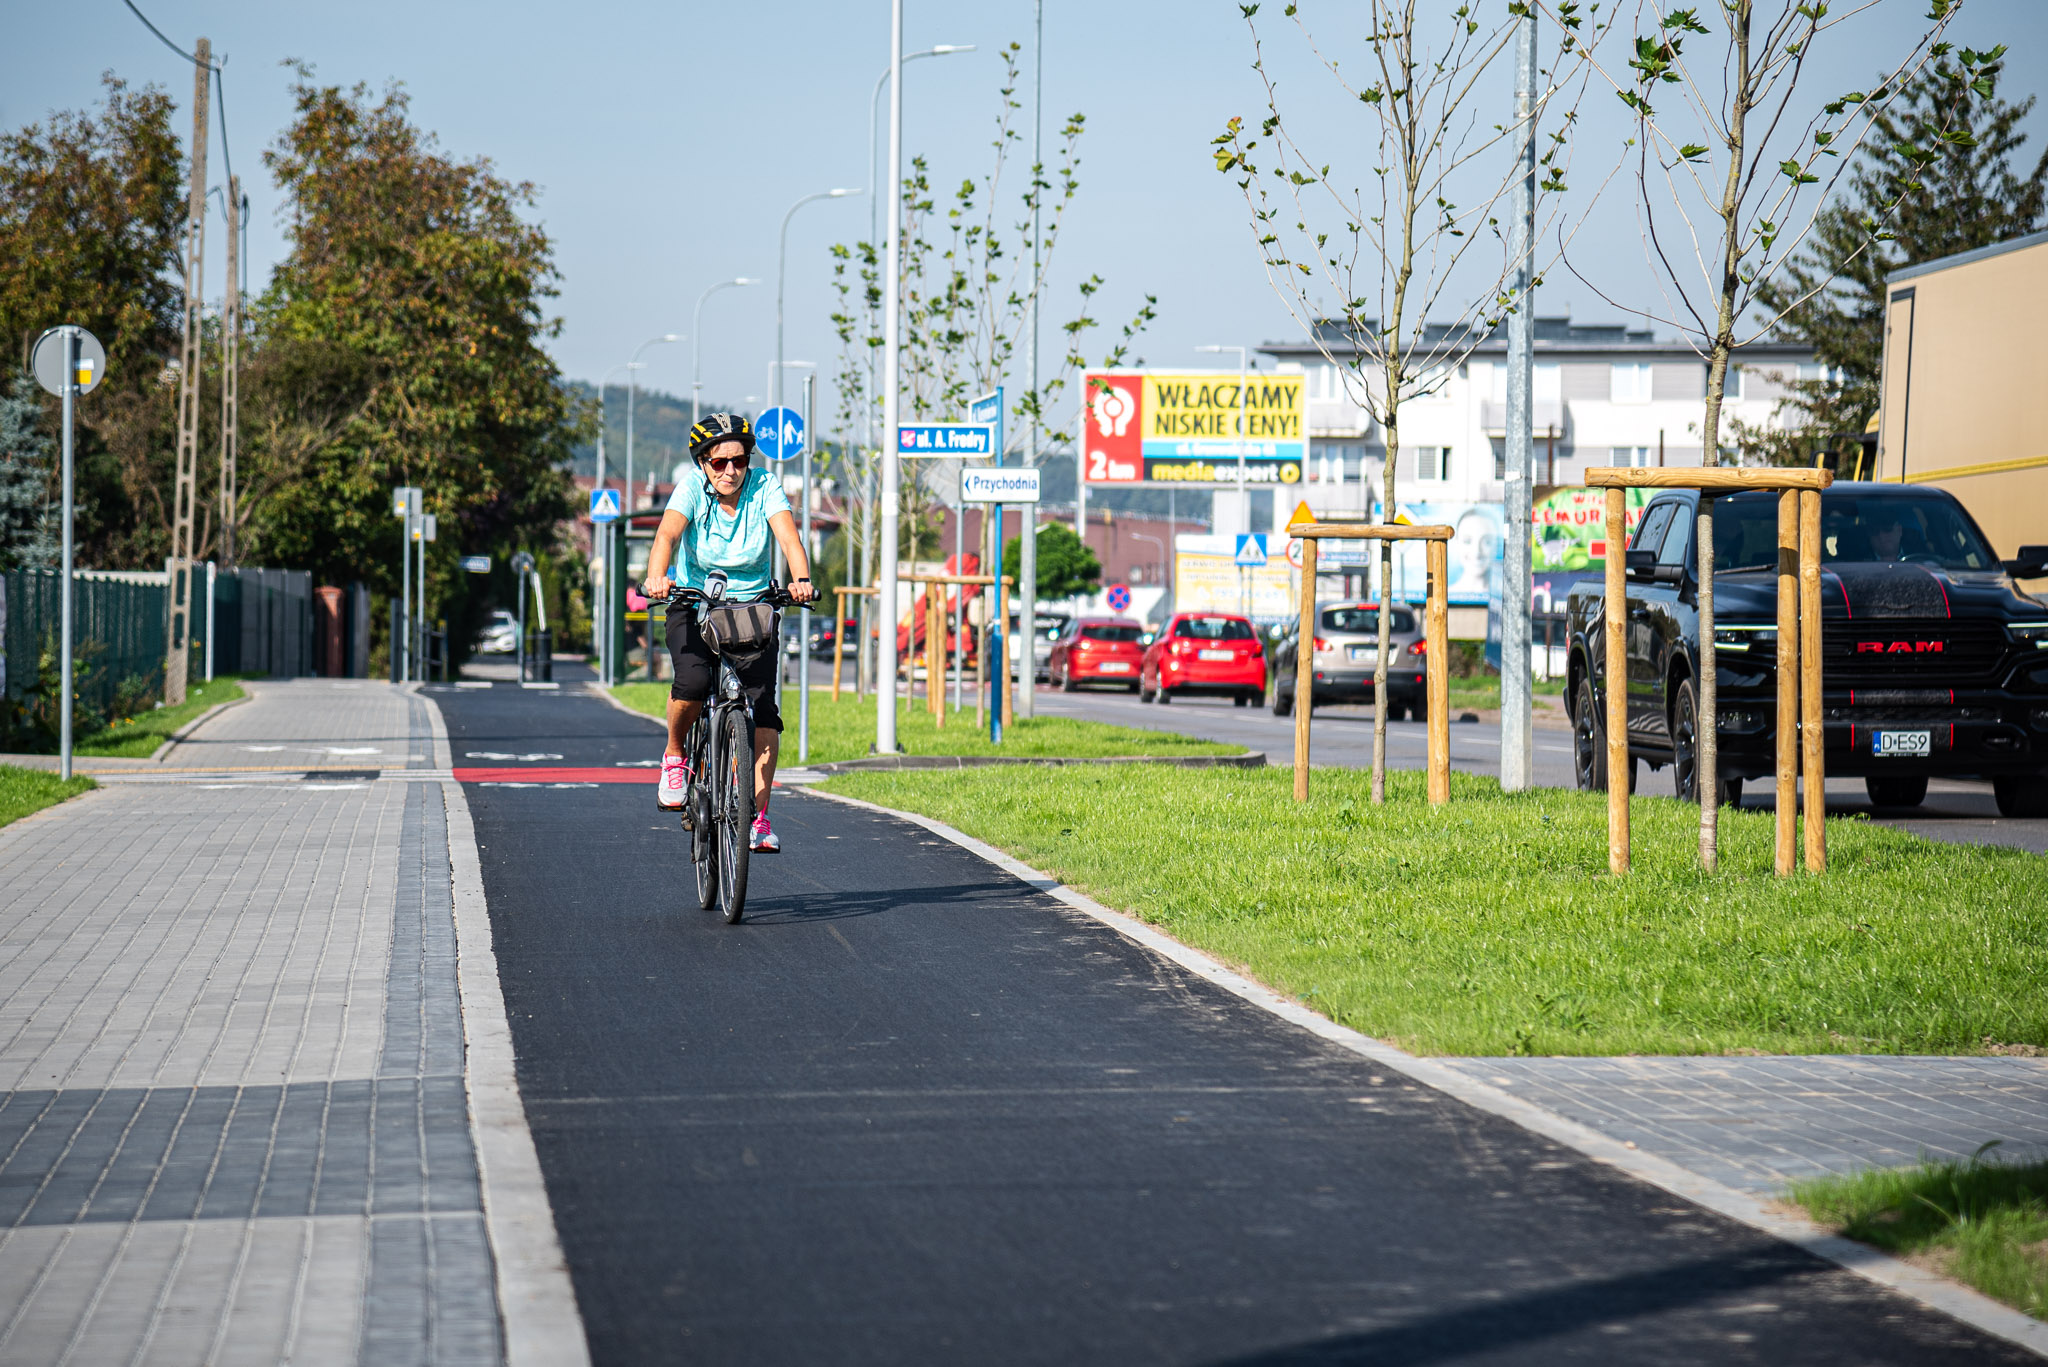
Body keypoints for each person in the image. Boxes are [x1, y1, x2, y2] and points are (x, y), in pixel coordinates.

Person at [640, 413, 817, 852]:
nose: (729, 471)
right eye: (718, 463)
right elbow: (666, 536)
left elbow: (789, 539)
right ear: (703, 463)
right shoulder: (690, 490)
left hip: (751, 608)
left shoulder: (765, 487)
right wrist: (657, 577)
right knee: (694, 682)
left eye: (738, 461)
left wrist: (801, 579)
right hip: (693, 600)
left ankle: (757, 819)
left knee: (763, 711)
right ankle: (676, 756)